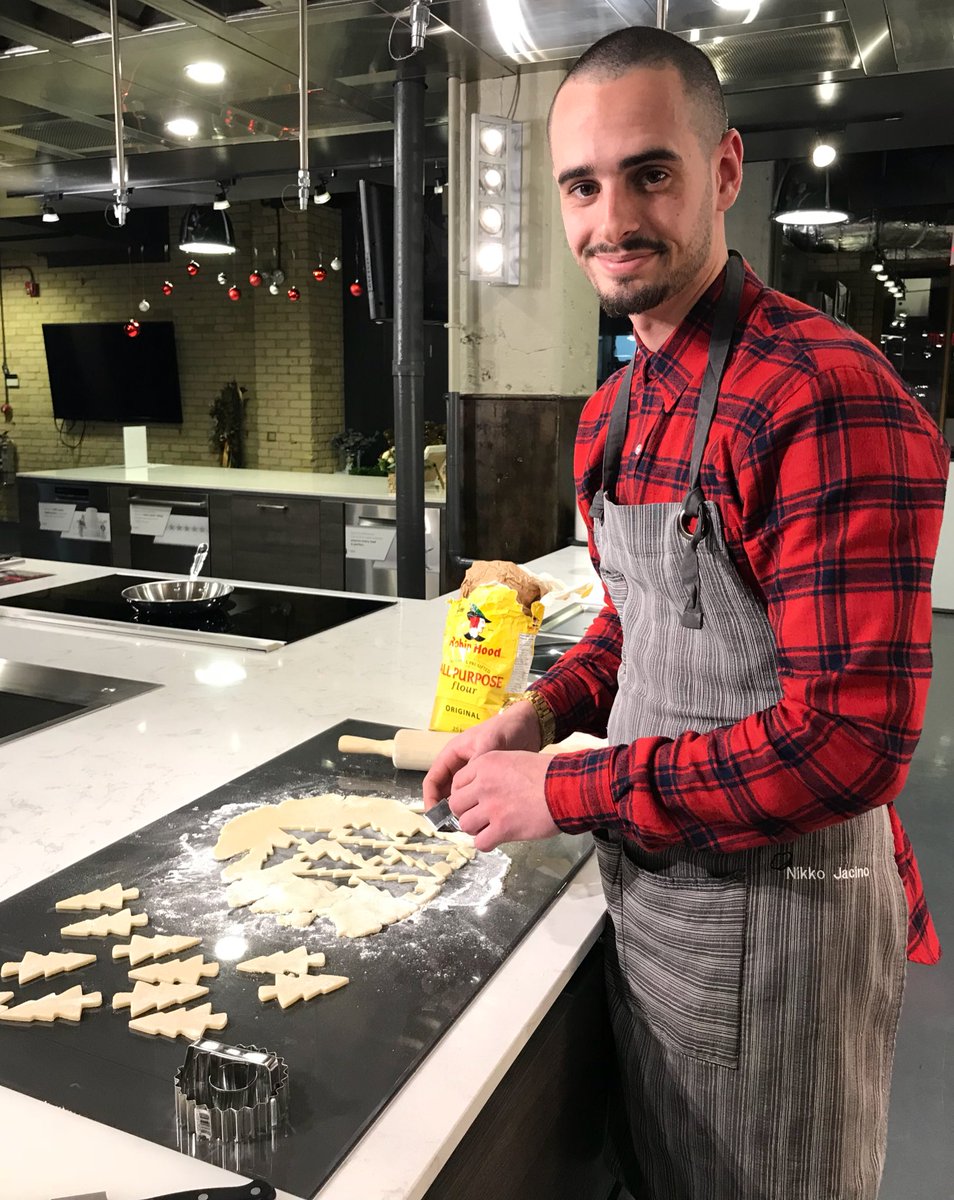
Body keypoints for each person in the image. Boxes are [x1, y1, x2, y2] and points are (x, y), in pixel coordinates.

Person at [422, 24, 951, 1200]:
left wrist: (565, 788)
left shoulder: (823, 397)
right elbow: (648, 623)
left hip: (792, 920)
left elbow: (849, 743)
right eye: (583, 185)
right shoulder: (616, 410)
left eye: (649, 172)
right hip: (660, 892)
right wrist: (537, 713)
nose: (612, 218)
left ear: (721, 172)